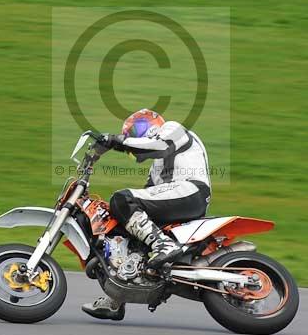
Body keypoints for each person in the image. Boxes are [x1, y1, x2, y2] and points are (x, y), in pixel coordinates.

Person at [82, 109, 212, 321]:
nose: (133, 136)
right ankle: (116, 298)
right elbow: (147, 196)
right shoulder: (156, 167)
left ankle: (165, 246)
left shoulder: (173, 128)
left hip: (191, 191)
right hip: (175, 198)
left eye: (136, 130)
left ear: (149, 123)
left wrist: (116, 141)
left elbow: (159, 146)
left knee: (122, 199)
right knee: (121, 230)